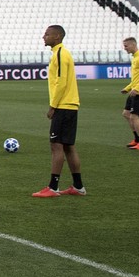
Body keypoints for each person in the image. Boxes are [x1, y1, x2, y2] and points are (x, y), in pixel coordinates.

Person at [33, 24, 85, 197]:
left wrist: (53, 106)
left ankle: (53, 187)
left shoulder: (61, 54)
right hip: (69, 105)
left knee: (56, 146)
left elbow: (61, 82)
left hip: (63, 106)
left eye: (47, 34)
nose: (43, 37)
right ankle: (78, 186)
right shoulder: (59, 54)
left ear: (57, 36)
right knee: (69, 146)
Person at [121, 37, 139, 150]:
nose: (125, 48)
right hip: (135, 91)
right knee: (126, 114)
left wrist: (137, 88)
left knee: (134, 116)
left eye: (126, 46)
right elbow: (136, 78)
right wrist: (128, 88)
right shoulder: (134, 58)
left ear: (133, 45)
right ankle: (137, 139)